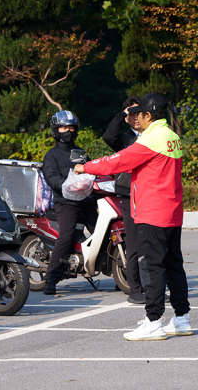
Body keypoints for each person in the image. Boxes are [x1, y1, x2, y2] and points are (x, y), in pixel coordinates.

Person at [75, 93, 191, 341]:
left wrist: (86, 167)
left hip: (152, 212)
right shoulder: (172, 137)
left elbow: (116, 162)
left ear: (149, 115)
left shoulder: (151, 140)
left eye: (139, 114)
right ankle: (181, 318)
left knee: (153, 266)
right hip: (172, 212)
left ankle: (153, 321)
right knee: (173, 266)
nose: (136, 117)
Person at [42, 110, 98, 295]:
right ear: (56, 130)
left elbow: (91, 173)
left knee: (102, 232)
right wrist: (66, 185)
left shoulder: (80, 153)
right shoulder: (52, 155)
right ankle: (51, 278)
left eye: (71, 127)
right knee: (66, 235)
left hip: (86, 201)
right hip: (65, 203)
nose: (68, 131)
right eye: (64, 127)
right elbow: (51, 177)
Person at [102, 96, 147, 304]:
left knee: (154, 242)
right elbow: (108, 136)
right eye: (131, 114)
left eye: (139, 112)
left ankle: (155, 286)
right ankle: (135, 288)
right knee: (134, 242)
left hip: (150, 194)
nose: (135, 117)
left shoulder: (152, 135)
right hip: (129, 194)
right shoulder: (124, 139)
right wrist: (123, 113)